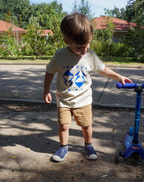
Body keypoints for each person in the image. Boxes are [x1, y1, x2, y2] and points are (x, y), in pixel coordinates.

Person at [44, 13, 132, 162]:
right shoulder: (59, 55)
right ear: (66, 41)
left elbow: (103, 69)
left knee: (86, 125)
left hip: (83, 99)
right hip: (64, 100)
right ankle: (63, 147)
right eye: (80, 47)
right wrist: (46, 90)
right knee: (64, 126)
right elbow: (49, 72)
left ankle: (88, 145)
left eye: (87, 45)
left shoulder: (90, 55)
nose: (84, 50)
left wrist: (118, 77)